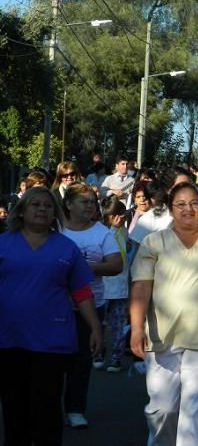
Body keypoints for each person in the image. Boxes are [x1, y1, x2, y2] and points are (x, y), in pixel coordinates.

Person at [129, 182, 198, 445]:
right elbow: (141, 287)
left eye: (194, 203)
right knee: (162, 409)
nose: (188, 209)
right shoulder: (153, 242)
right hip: (162, 336)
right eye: (181, 204)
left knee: (197, 411)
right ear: (171, 209)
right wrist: (136, 328)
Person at [0, 187, 102, 445]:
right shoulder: (4, 243)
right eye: (35, 204)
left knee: (46, 405)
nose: (42, 209)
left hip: (52, 339)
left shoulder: (66, 247)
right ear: (21, 211)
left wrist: (95, 328)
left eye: (47, 206)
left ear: (55, 213)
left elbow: (81, 291)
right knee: (13, 405)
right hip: (9, 337)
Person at [61, 183, 123, 429]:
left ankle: (75, 409)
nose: (89, 206)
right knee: (53, 359)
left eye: (92, 202)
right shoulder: (56, 230)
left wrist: (86, 268)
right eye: (83, 202)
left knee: (81, 360)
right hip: (56, 306)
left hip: (90, 305)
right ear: (68, 204)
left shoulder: (101, 233)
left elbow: (116, 264)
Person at [99, 196, 130, 373]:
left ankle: (116, 357)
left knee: (118, 324)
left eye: (118, 215)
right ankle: (98, 351)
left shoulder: (123, 231)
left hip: (119, 288)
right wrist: (113, 227)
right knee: (100, 323)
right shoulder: (104, 232)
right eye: (111, 216)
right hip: (103, 287)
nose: (116, 219)